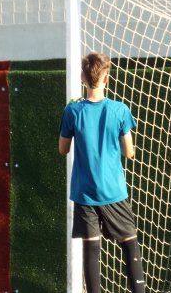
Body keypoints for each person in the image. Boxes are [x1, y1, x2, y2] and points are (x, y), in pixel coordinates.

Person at [58, 52, 146, 293]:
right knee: (130, 247)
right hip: (114, 191)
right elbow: (130, 152)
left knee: (92, 251)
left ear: (83, 78)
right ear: (106, 79)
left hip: (85, 194)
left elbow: (62, 149)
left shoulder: (72, 112)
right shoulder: (119, 110)